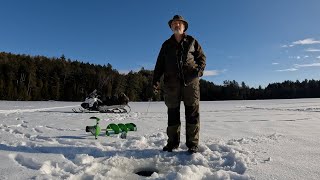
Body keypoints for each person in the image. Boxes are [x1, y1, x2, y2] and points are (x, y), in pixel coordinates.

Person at [152, 15, 206, 153]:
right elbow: (159, 65)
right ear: (171, 27)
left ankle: (192, 144)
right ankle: (172, 143)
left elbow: (202, 59)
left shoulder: (192, 41)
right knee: (172, 114)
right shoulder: (166, 45)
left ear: (184, 26)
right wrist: (156, 80)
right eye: (174, 24)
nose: (177, 25)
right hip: (171, 85)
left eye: (179, 23)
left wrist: (198, 72)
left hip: (191, 84)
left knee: (192, 114)